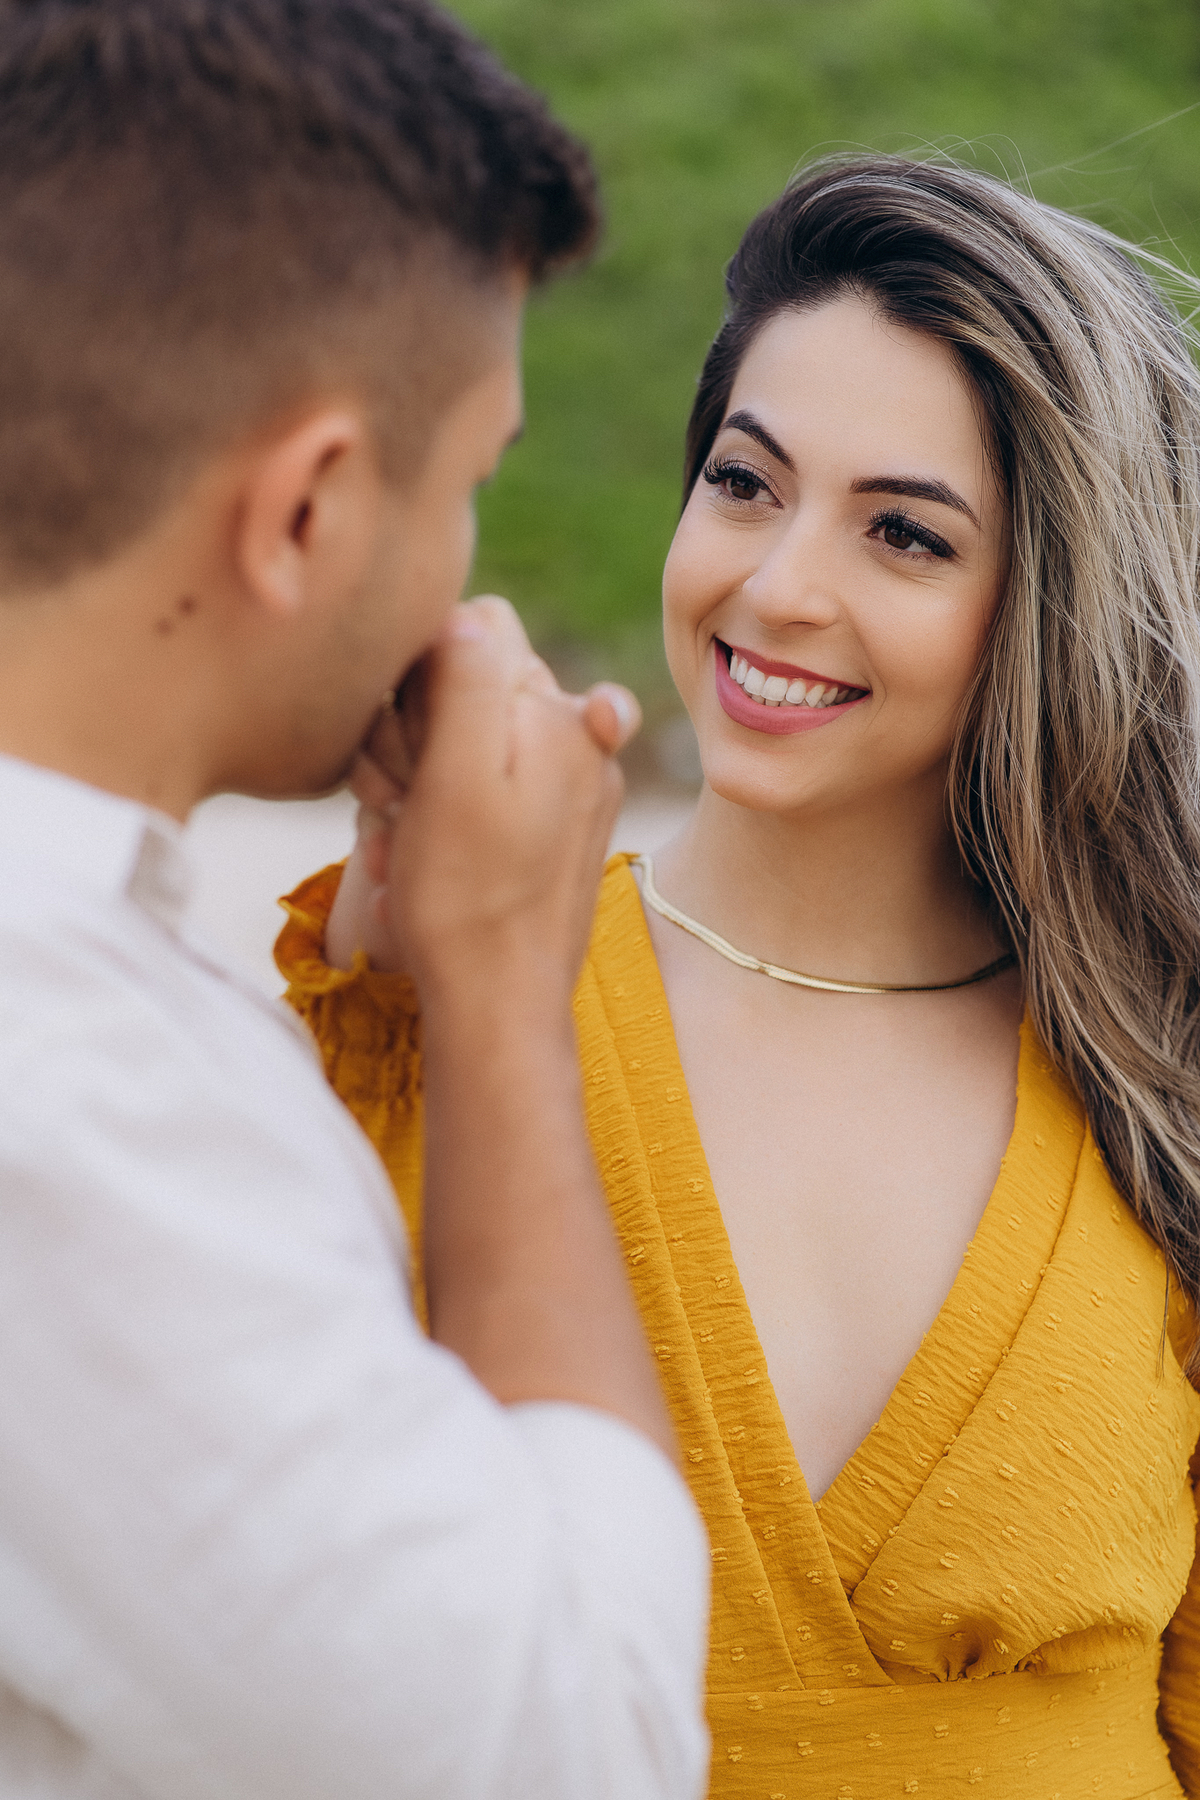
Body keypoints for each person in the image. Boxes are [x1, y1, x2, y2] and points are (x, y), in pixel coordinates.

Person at [283, 155, 1200, 1797]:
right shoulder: (423, 1000)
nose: (778, 587)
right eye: (746, 483)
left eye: (905, 535)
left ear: (1045, 606)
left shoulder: (1154, 1072)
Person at [0, 2, 714, 1796]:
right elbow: (581, 1746)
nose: (469, 553)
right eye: (473, 477)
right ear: (309, 509)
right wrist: (495, 992)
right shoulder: (78, 1097)